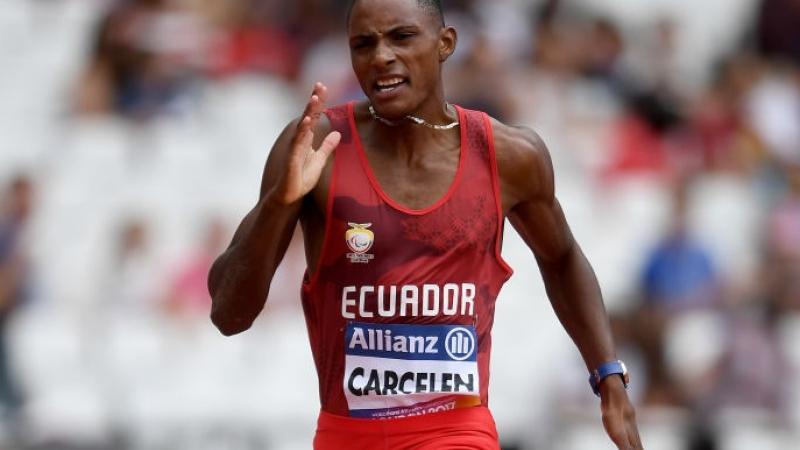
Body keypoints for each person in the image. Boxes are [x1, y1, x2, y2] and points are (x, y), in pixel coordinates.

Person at [208, 0, 643, 448]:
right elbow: (229, 314)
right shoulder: (318, 147)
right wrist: (279, 204)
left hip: (456, 431)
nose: (381, 56)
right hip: (346, 435)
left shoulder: (509, 156)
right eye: (363, 44)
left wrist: (609, 377)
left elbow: (563, 258)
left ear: (445, 43)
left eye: (401, 37)